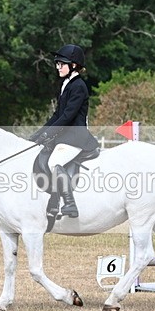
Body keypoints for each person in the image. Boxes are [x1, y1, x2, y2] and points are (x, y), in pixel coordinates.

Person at [29, 44, 100, 218]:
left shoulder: (78, 86)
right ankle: (53, 203)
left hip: (75, 136)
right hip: (65, 135)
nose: (58, 67)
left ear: (73, 65)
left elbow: (68, 116)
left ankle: (69, 203)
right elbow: (57, 115)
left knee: (54, 163)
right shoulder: (66, 84)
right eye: (57, 63)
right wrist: (39, 134)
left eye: (61, 63)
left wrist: (49, 134)